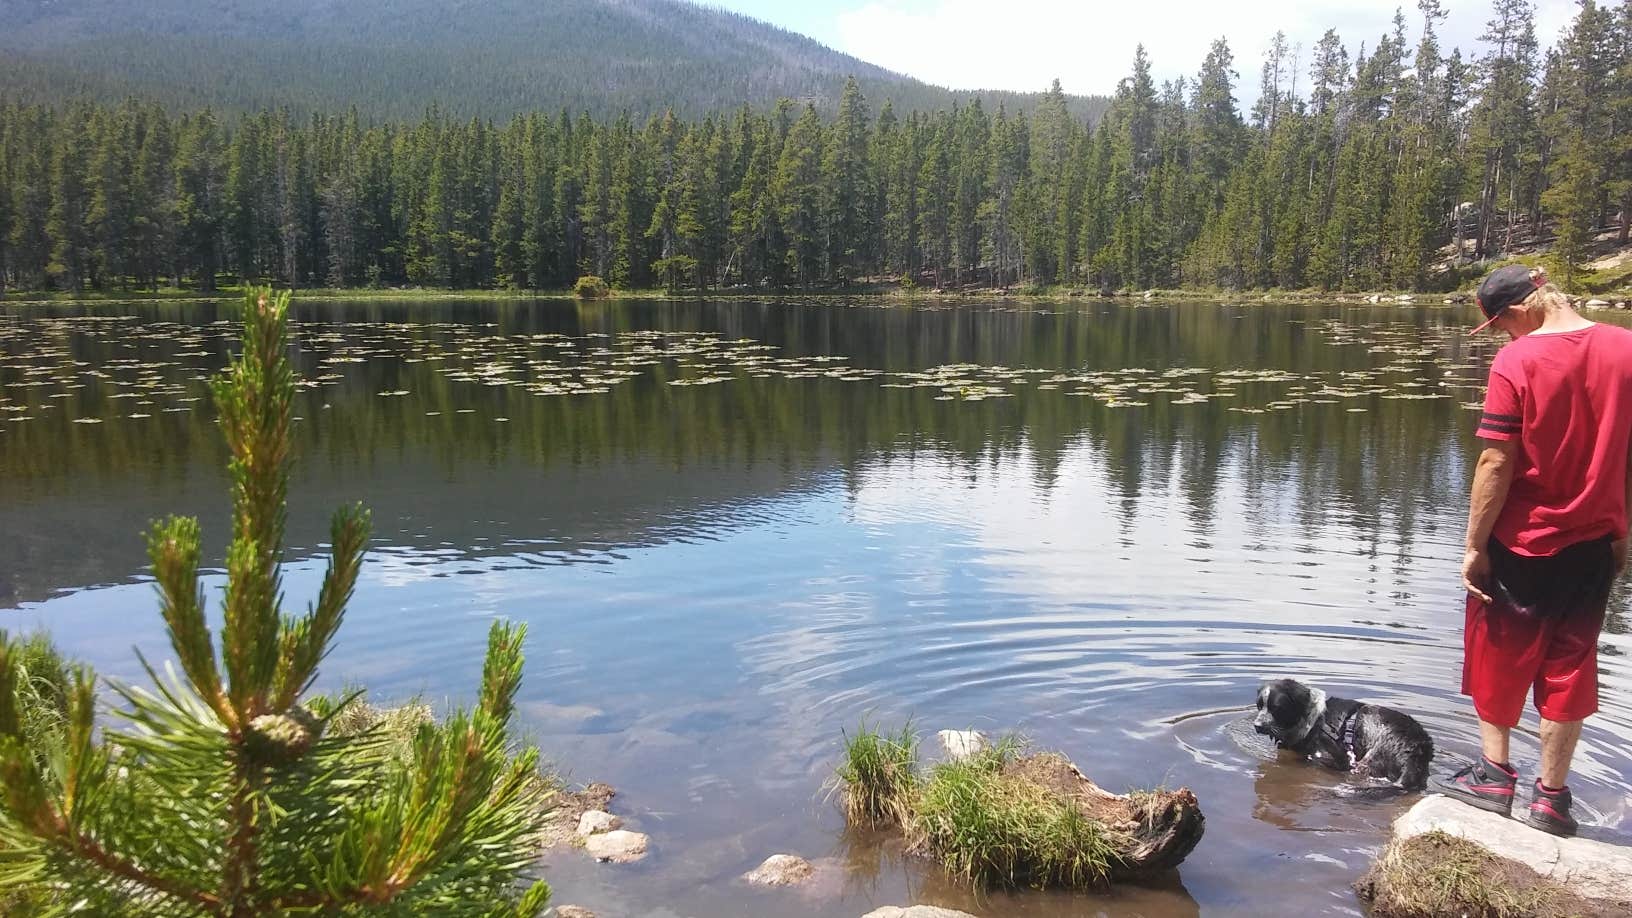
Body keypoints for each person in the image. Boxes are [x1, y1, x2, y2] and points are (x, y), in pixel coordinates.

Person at [1435, 264, 1632, 837]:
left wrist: (1474, 546)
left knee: (1499, 652)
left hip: (1523, 540)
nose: (1501, 336)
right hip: (1595, 541)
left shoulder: (1518, 361)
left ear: (1522, 309)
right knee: (1571, 664)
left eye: (1500, 324)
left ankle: (1494, 778)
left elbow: (1497, 459)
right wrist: (1621, 531)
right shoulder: (1624, 347)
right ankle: (1552, 799)